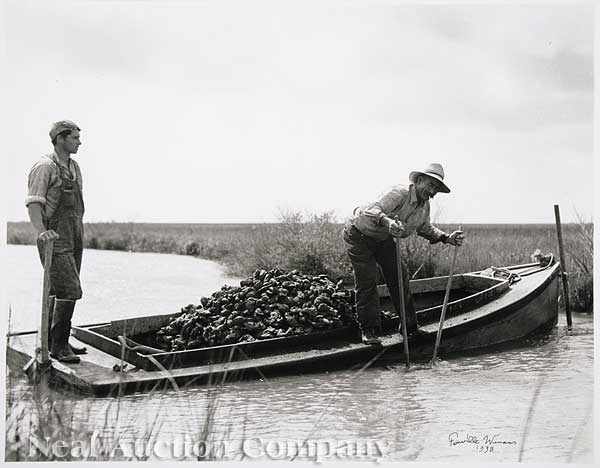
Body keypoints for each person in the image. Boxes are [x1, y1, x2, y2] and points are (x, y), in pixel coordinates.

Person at [342, 163, 464, 345]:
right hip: (359, 233)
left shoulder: (424, 206)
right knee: (368, 279)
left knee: (400, 276)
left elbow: (425, 228)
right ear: (419, 180)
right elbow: (371, 210)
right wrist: (387, 222)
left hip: (383, 239)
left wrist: (447, 238)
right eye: (431, 185)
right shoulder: (399, 193)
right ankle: (369, 331)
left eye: (436, 189)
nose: (432, 192)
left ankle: (409, 328)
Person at [25, 120, 87, 363]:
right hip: (54, 236)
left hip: (74, 233)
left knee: (59, 290)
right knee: (70, 289)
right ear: (61, 138)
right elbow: (34, 203)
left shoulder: (75, 167)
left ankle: (55, 340)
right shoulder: (44, 167)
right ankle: (59, 348)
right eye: (75, 138)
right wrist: (42, 231)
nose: (79, 142)